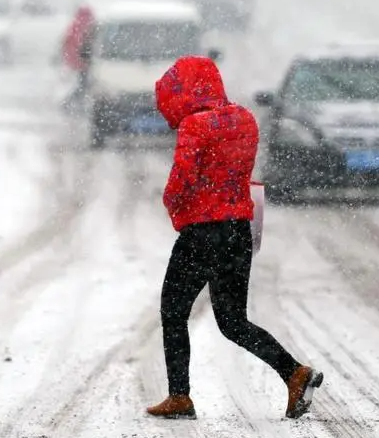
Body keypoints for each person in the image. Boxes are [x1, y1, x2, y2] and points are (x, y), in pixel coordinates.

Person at [146, 56, 324, 420]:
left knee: (173, 310)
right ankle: (293, 372)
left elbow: (180, 183)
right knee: (233, 321)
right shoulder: (245, 118)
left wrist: (173, 206)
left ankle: (180, 396)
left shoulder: (195, 126)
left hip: (202, 233)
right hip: (237, 232)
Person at [61, 4, 95, 105]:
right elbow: (87, 45)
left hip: (77, 61)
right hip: (84, 61)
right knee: (83, 84)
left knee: (82, 84)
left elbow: (66, 42)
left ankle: (74, 102)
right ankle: (71, 103)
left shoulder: (75, 25)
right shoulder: (88, 26)